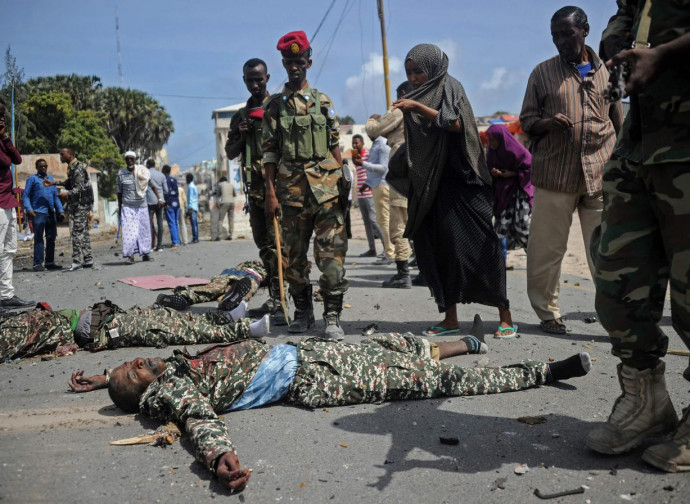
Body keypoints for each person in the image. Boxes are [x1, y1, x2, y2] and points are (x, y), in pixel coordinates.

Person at [68, 316, 591, 492]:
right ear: (145, 392)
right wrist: (217, 457)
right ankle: (541, 372)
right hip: (314, 376)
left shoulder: (166, 373)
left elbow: (130, 380)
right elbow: (199, 422)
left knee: (389, 346)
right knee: (427, 382)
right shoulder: (172, 391)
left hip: (304, 352)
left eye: (134, 361)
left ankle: (468, 343)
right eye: (134, 370)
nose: (140, 362)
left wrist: (103, 381)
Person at [586, 0, 690, 473]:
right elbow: (627, 11)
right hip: (640, 143)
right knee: (617, 283)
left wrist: (667, 53)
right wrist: (616, 39)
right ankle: (646, 404)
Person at [393, 44, 517, 339]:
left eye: (418, 71)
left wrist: (417, 108)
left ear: (433, 68)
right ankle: (450, 319)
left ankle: (506, 317)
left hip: (466, 183)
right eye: (409, 72)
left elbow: (458, 124)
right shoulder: (414, 96)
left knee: (484, 249)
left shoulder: (451, 87)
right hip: (436, 187)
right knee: (443, 250)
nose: (413, 78)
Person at [519, 6, 623, 335]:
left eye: (567, 34)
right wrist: (546, 123)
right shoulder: (541, 74)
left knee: (606, 251)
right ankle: (548, 313)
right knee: (546, 250)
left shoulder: (608, 72)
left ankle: (617, 318)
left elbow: (618, 119)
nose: (561, 41)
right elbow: (526, 123)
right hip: (555, 176)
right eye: (555, 36)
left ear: (585, 30)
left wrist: (622, 163)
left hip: (599, 175)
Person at [262, 30, 348, 338]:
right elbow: (269, 152)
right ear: (283, 64)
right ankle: (302, 312)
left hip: (327, 191)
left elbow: (335, 145)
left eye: (299, 61)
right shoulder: (274, 107)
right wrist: (270, 193)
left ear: (309, 62)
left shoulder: (324, 102)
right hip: (291, 194)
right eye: (288, 62)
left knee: (332, 257)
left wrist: (345, 180)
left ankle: (333, 316)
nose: (294, 67)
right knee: (293, 259)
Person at [0, 300, 269, 363]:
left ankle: (225, 318)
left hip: (102, 315)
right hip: (103, 328)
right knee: (172, 329)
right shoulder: (12, 333)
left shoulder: (15, 322)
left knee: (166, 315)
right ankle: (245, 330)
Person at [225, 58, 286, 324]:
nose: (255, 84)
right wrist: (240, 134)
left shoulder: (278, 107)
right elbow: (230, 152)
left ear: (267, 78)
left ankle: (285, 299)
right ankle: (275, 297)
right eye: (250, 79)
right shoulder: (241, 115)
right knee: (264, 246)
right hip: (254, 191)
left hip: (277, 189)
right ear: (244, 80)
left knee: (279, 246)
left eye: (259, 79)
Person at [365, 81, 412, 287]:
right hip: (419, 170)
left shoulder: (401, 110)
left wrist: (372, 120)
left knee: (398, 222)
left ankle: (403, 273)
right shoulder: (425, 110)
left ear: (403, 94)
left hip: (401, 167)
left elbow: (374, 130)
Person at [0, 98, 34, 312]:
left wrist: (4, 137)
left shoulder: (2, 141)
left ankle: (6, 295)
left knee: (8, 250)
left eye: (3, 115)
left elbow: (18, 159)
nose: (2, 118)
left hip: (7, 201)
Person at [485, 124, 534, 265]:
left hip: (519, 194)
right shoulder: (492, 152)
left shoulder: (518, 151)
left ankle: (535, 258)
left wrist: (512, 173)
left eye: (493, 140)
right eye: (489, 140)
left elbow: (530, 168)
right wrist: (494, 173)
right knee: (500, 229)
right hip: (503, 195)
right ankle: (500, 263)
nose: (490, 143)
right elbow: (488, 168)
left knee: (522, 227)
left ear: (501, 138)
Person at [44, 148, 94, 271]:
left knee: (76, 232)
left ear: (70, 155)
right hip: (79, 204)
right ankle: (88, 259)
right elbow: (69, 183)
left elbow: (80, 188)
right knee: (83, 232)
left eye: (62, 154)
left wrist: (67, 194)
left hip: (80, 205)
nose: (60, 156)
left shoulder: (77, 167)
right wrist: (54, 183)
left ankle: (77, 261)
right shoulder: (72, 167)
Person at [156, 260, 265, 312]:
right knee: (247, 289)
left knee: (212, 289)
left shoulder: (244, 264)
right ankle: (230, 299)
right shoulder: (264, 267)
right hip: (252, 275)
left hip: (232, 272)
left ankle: (184, 296)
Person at [22, 158, 65, 271]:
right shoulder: (32, 179)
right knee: (39, 238)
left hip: (50, 213)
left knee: (51, 238)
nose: (43, 168)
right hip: (38, 213)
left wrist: (60, 210)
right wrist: (29, 208)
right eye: (40, 166)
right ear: (37, 168)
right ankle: (37, 264)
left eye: (45, 166)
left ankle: (49, 262)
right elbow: (25, 195)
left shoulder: (51, 179)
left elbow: (55, 197)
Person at [357, 133, 392, 265]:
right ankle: (387, 251)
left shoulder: (382, 145)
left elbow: (383, 168)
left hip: (381, 186)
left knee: (383, 221)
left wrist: (364, 164)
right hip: (374, 186)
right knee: (379, 221)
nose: (369, 131)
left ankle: (390, 252)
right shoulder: (376, 145)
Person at [117, 151, 153, 264]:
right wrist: (120, 207)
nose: (129, 161)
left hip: (142, 206)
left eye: (131, 158)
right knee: (129, 232)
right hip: (127, 207)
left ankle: (145, 254)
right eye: (127, 159)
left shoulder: (142, 172)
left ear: (135, 159)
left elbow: (150, 185)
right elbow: (119, 193)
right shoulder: (121, 174)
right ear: (125, 160)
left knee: (144, 231)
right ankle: (130, 256)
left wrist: (159, 198)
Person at [352, 134, 384, 258]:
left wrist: (369, 184)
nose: (355, 145)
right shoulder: (356, 156)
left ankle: (386, 247)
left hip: (369, 192)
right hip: (360, 194)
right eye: (353, 143)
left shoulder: (368, 155)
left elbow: (373, 171)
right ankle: (372, 248)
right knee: (366, 222)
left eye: (357, 143)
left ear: (362, 143)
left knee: (373, 220)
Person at [145, 159, 168, 252]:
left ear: (148, 165)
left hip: (149, 202)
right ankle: (159, 245)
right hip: (160, 202)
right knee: (160, 223)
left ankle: (151, 245)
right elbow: (166, 190)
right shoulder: (161, 175)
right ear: (154, 165)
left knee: (150, 224)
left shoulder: (146, 174)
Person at [161, 165, 181, 250]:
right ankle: (177, 240)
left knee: (171, 223)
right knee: (175, 223)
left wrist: (166, 203)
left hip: (169, 204)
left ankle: (175, 242)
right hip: (176, 203)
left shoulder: (165, 180)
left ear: (164, 171)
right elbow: (176, 192)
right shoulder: (174, 179)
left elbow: (166, 192)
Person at [211, 177, 236, 241]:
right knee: (231, 219)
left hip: (224, 202)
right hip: (232, 202)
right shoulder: (231, 185)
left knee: (220, 219)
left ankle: (219, 236)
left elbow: (218, 194)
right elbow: (234, 194)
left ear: (221, 181)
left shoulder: (220, 184)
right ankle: (231, 235)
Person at [186, 173, 199, 243]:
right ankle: (196, 237)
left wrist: (189, 208)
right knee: (195, 224)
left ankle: (195, 238)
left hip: (192, 207)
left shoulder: (190, 187)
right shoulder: (194, 186)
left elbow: (190, 198)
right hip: (195, 206)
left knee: (193, 224)